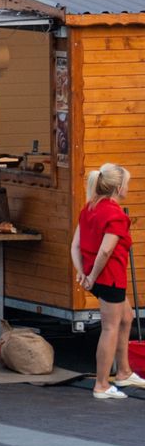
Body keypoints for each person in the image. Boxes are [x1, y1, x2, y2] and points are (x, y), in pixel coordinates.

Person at [73, 164, 145, 399]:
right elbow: (105, 251)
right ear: (118, 187)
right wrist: (91, 276)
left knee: (127, 317)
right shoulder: (115, 215)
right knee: (110, 328)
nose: (129, 187)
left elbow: (75, 246)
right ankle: (102, 384)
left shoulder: (90, 207)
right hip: (109, 278)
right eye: (127, 183)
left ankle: (124, 372)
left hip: (97, 276)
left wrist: (82, 273)